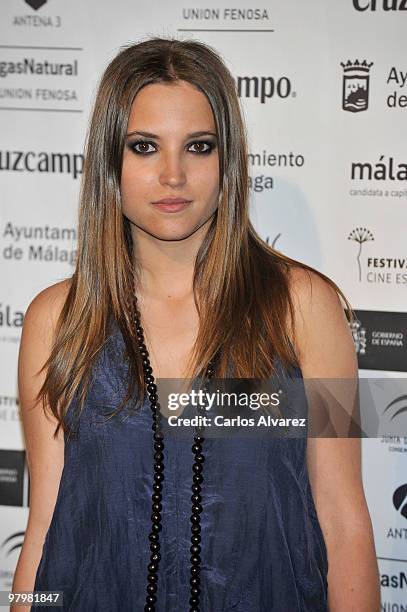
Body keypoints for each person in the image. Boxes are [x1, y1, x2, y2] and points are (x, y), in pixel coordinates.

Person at [12, 36, 380, 611]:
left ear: (228, 158)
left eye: (198, 146)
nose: (173, 175)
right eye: (144, 147)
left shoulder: (305, 308)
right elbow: (46, 530)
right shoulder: (56, 321)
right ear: (111, 157)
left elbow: (343, 519)